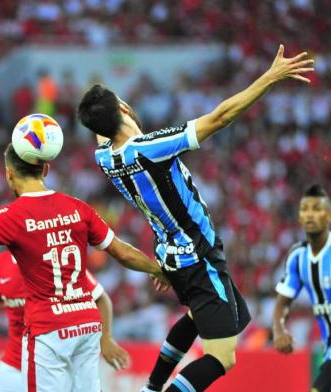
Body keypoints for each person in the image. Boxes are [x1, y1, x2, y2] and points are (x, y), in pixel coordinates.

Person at [77, 44, 314, 392]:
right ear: (125, 108)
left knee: (204, 316)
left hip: (171, 256)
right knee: (223, 357)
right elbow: (220, 118)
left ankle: (152, 387)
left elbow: (101, 126)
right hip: (198, 256)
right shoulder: (149, 148)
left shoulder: (105, 157)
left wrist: (98, 103)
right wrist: (271, 76)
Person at [0, 143, 163, 392]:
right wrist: (157, 269)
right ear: (46, 169)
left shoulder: (8, 217)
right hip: (86, 325)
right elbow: (122, 251)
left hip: (48, 331)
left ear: (8, 174)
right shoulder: (78, 207)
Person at [0, 251, 130, 392]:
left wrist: (105, 339)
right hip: (15, 364)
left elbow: (100, 299)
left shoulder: (59, 261)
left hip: (57, 365)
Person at [273, 185, 331, 392]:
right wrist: (279, 330)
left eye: (316, 208)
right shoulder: (298, 257)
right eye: (305, 209)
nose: (310, 214)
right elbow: (282, 303)